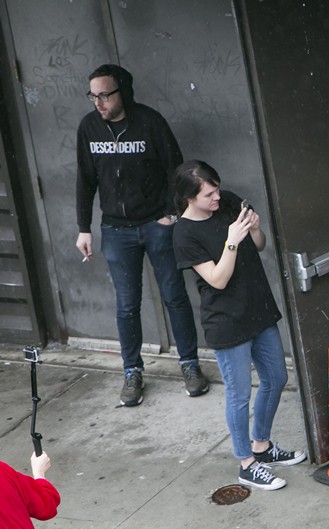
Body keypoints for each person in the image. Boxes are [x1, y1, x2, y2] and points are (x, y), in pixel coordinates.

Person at [75, 63, 208, 407]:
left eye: (105, 94)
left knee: (174, 296)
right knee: (127, 306)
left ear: (124, 92)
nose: (98, 102)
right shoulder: (89, 128)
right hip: (116, 230)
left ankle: (190, 365)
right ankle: (132, 372)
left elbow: (174, 169)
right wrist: (83, 227)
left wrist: (173, 214)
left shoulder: (150, 121)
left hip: (155, 225)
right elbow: (85, 179)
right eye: (93, 95)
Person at [172, 161, 305, 490]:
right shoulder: (184, 234)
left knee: (276, 377)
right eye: (209, 194)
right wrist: (231, 240)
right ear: (189, 197)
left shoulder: (229, 201)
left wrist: (255, 229)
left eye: (217, 189)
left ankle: (261, 445)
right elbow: (217, 279)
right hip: (226, 321)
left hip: (257, 308)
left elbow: (258, 245)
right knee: (239, 393)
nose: (217, 197)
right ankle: (246, 462)